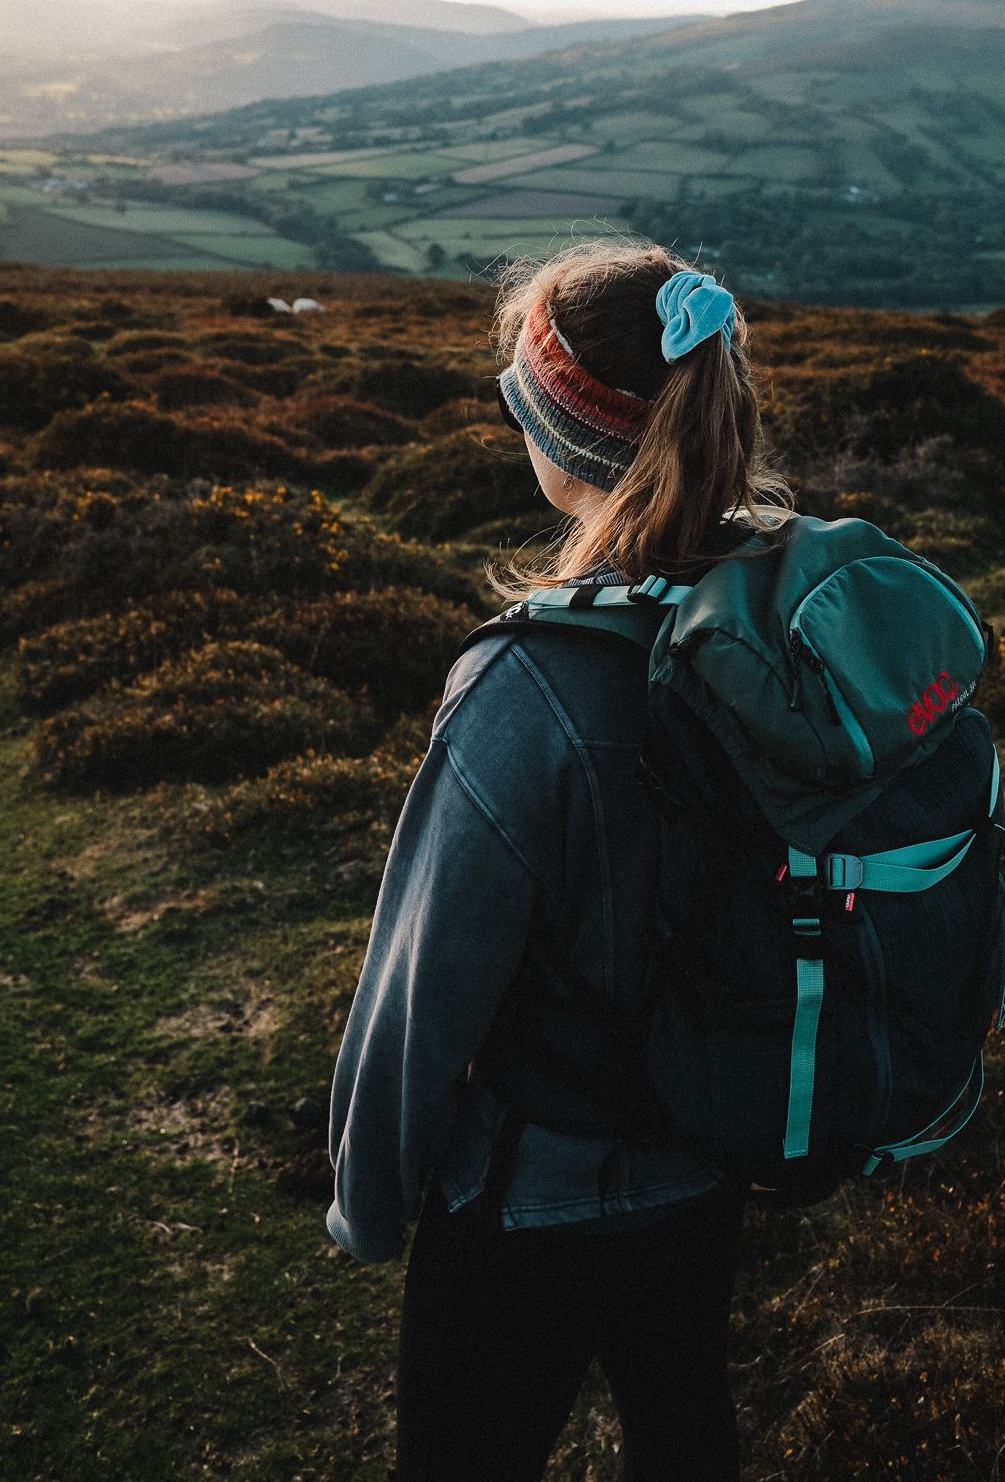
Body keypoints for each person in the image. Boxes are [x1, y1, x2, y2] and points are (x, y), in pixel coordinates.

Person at [326, 239, 794, 1482]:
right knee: (685, 1423)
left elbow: (421, 990)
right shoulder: (787, 618)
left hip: (526, 1189)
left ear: (562, 436)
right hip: (711, 1148)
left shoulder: (525, 688)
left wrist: (368, 1198)